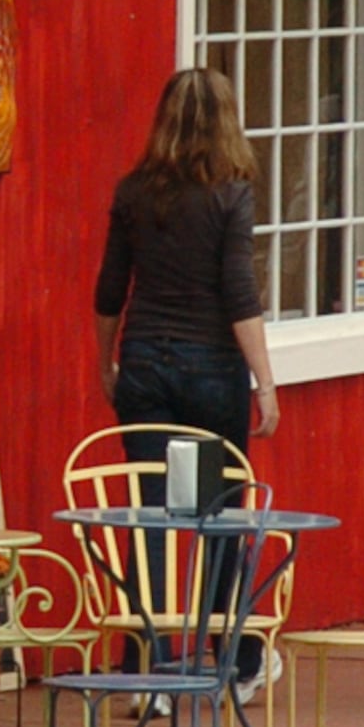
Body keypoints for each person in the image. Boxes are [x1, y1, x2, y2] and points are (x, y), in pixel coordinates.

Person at [92, 67, 281, 685]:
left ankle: (145, 665)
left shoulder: (133, 192)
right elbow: (239, 293)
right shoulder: (231, 194)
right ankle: (235, 659)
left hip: (145, 360)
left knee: (150, 514)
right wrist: (265, 382)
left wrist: (106, 361)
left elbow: (111, 287)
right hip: (212, 368)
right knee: (221, 514)